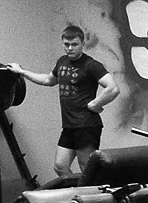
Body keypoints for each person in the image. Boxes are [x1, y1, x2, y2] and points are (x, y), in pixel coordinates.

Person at [7, 25, 119, 176]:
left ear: (82, 44)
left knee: (87, 168)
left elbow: (113, 88)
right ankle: (75, 190)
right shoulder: (62, 62)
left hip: (86, 125)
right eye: (67, 44)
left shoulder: (91, 65)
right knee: (60, 167)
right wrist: (21, 72)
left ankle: (95, 191)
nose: (70, 48)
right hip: (69, 125)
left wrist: (96, 103)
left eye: (74, 44)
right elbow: (48, 80)